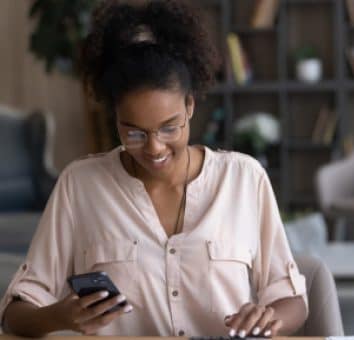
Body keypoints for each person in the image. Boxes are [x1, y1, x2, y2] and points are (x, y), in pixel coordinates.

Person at [0, 0, 308, 337]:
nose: (153, 147)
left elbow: (292, 299)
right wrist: (60, 316)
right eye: (133, 132)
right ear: (114, 117)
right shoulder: (80, 185)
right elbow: (15, 312)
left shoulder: (244, 179)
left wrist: (269, 318)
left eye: (168, 128)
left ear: (190, 105)